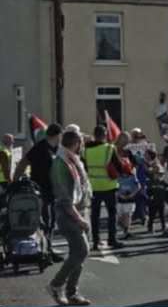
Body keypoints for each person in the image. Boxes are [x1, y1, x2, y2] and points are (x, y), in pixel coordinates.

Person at [47, 131, 92, 306]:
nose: (83, 146)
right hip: (69, 215)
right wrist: (79, 219)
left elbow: (81, 186)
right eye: (81, 143)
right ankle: (55, 285)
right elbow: (64, 198)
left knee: (78, 254)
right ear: (76, 143)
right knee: (81, 251)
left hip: (79, 211)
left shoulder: (72, 159)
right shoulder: (61, 163)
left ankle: (72, 293)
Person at [13, 123, 65, 261]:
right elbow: (23, 162)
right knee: (45, 221)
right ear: (58, 135)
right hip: (40, 189)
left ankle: (48, 249)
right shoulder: (40, 147)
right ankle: (45, 250)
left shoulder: (57, 149)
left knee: (51, 221)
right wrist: (15, 181)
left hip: (52, 190)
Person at [116, 154, 140, 240]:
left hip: (130, 199)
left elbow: (138, 186)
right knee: (119, 218)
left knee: (127, 215)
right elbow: (115, 188)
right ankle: (124, 228)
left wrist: (132, 194)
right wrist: (119, 195)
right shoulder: (118, 177)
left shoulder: (132, 176)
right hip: (120, 199)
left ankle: (126, 231)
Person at [144, 150, 168, 234]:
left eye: (159, 174)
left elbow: (166, 189)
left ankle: (164, 227)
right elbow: (149, 189)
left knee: (162, 214)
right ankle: (150, 227)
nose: (158, 174)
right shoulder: (151, 181)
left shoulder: (162, 181)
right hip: (153, 197)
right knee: (152, 213)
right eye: (157, 173)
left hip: (160, 198)